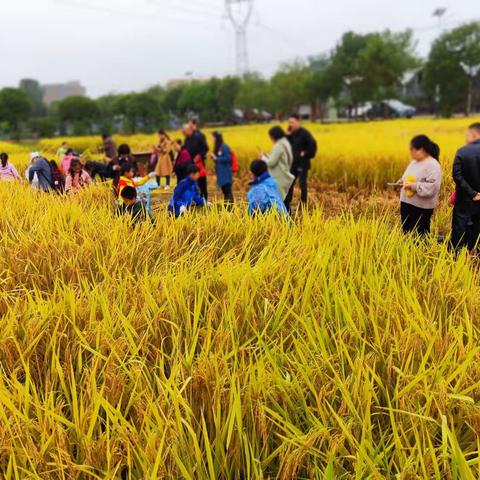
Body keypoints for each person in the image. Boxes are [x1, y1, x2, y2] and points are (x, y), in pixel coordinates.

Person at [398, 135, 442, 236]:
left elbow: (432, 188)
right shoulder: (414, 162)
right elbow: (408, 177)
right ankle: (408, 251)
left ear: (421, 150)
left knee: (420, 235)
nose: (410, 152)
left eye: (412, 149)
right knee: (407, 233)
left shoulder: (433, 165)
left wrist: (413, 186)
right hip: (406, 203)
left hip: (421, 207)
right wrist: (401, 181)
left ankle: (420, 252)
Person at [451, 123, 480, 252]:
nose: (466, 138)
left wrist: (473, 193)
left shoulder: (462, 151)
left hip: (465, 200)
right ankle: (474, 253)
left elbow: (457, 176)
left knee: (459, 228)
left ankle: (456, 256)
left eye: (467, 135)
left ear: (474, 134)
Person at [285, 114, 317, 211]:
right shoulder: (290, 134)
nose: (291, 124)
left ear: (298, 122)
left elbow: (313, 146)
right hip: (292, 164)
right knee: (289, 183)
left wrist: (306, 153)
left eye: (293, 122)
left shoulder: (305, 134)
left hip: (302, 164)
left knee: (302, 184)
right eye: (289, 122)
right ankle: (286, 204)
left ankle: (303, 204)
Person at [260, 126, 295, 202]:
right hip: (285, 173)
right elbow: (281, 158)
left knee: (279, 203)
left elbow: (271, 163)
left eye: (270, 136)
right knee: (285, 201)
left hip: (279, 177)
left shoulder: (278, 146)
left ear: (274, 136)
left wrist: (263, 157)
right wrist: (268, 155)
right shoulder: (285, 142)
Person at [183, 122, 209, 200]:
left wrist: (200, 155)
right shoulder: (186, 139)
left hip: (199, 162)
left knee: (202, 182)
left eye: (185, 131)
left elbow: (205, 148)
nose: (184, 133)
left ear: (190, 130)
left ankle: (204, 199)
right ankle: (196, 199)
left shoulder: (199, 137)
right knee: (192, 182)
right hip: (190, 163)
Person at [210, 131, 234, 205]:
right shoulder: (219, 147)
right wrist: (214, 158)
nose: (211, 139)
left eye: (212, 137)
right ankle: (227, 206)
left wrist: (216, 158)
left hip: (225, 172)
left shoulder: (224, 146)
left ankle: (230, 208)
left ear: (216, 138)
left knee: (227, 190)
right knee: (225, 190)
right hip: (221, 172)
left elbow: (228, 158)